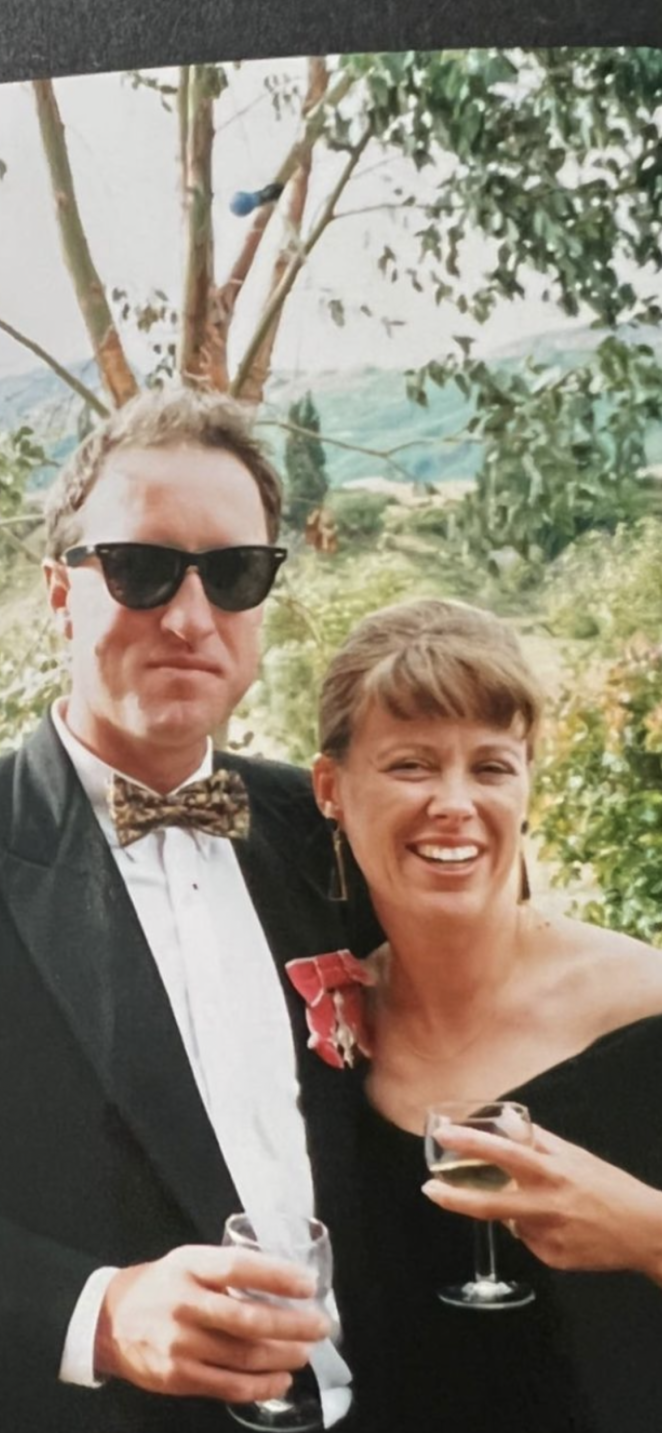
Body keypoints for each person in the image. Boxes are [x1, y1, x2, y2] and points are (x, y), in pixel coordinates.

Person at [0, 387, 379, 1432]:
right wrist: (98, 1313)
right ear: (60, 592)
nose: (189, 615)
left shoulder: (326, 824)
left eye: (233, 572)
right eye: (141, 566)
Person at [287, 597, 662, 1433]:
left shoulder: (647, 1008)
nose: (454, 802)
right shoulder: (319, 1028)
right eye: (412, 765)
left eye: (490, 767)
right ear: (330, 789)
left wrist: (643, 1228)